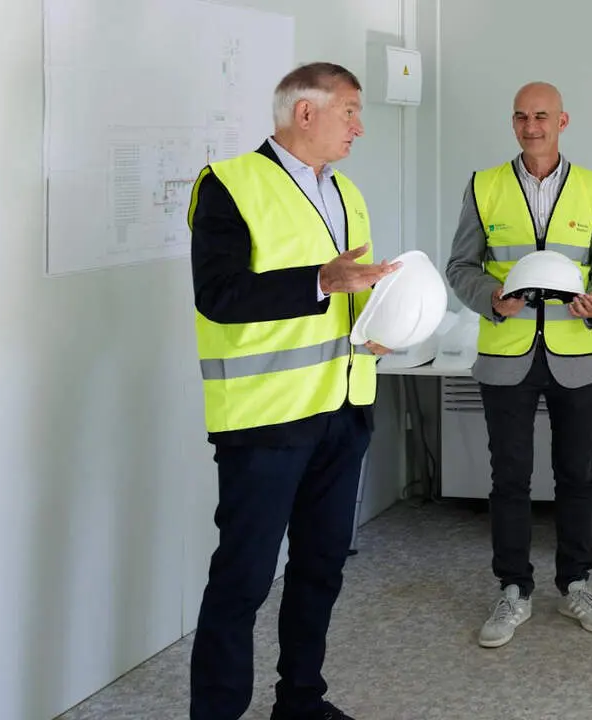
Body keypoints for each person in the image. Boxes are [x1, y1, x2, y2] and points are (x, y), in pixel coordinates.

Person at [187, 62, 397, 720]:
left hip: (342, 412)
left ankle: (301, 701)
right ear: (305, 113)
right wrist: (320, 282)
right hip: (266, 422)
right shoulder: (229, 185)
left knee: (321, 568)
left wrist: (376, 327)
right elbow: (218, 297)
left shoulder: (347, 193)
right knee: (244, 580)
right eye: (350, 111)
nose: (359, 127)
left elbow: (347, 294)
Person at [444, 81, 592, 649]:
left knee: (577, 476)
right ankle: (513, 589)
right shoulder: (485, 185)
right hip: (507, 356)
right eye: (521, 116)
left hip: (577, 354)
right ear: (514, 123)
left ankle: (576, 583)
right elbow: (460, 266)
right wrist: (489, 299)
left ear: (563, 121)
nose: (531, 126)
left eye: (542, 115)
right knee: (510, 479)